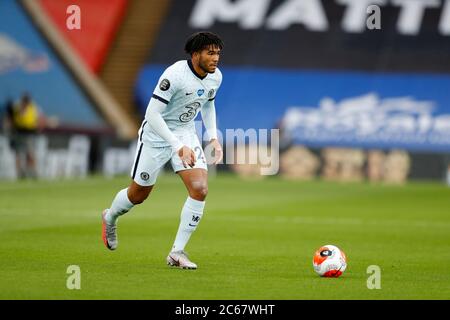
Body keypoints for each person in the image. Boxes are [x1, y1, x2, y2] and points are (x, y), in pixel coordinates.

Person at [102, 32, 224, 269]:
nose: (216, 58)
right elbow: (152, 115)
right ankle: (110, 217)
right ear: (195, 54)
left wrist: (213, 137)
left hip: (185, 132)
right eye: (210, 53)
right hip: (156, 134)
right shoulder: (174, 76)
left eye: (218, 53)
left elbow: (208, 104)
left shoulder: (215, 77)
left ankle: (177, 252)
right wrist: (177, 146)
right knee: (138, 195)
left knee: (200, 189)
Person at [5, 93, 44, 179]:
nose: (25, 103)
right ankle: (20, 173)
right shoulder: (16, 108)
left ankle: (31, 172)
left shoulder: (34, 108)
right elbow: (10, 118)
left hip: (30, 133)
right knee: (18, 153)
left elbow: (40, 119)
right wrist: (9, 128)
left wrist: (39, 128)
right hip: (18, 132)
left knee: (30, 153)